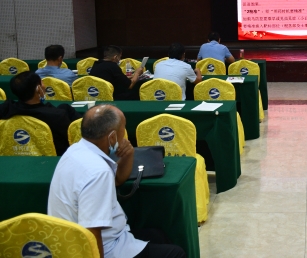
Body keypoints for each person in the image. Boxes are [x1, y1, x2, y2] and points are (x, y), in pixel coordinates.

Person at [48, 105, 187, 258]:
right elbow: (92, 231)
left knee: (158, 235)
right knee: (176, 254)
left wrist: (128, 155)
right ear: (112, 137)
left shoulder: (75, 151)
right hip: (102, 247)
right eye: (123, 129)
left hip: (70, 241)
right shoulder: (98, 172)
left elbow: (118, 180)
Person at [0, 71, 79, 155]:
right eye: (42, 83)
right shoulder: (57, 116)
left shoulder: (5, 109)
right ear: (38, 88)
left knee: (65, 107)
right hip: (54, 158)